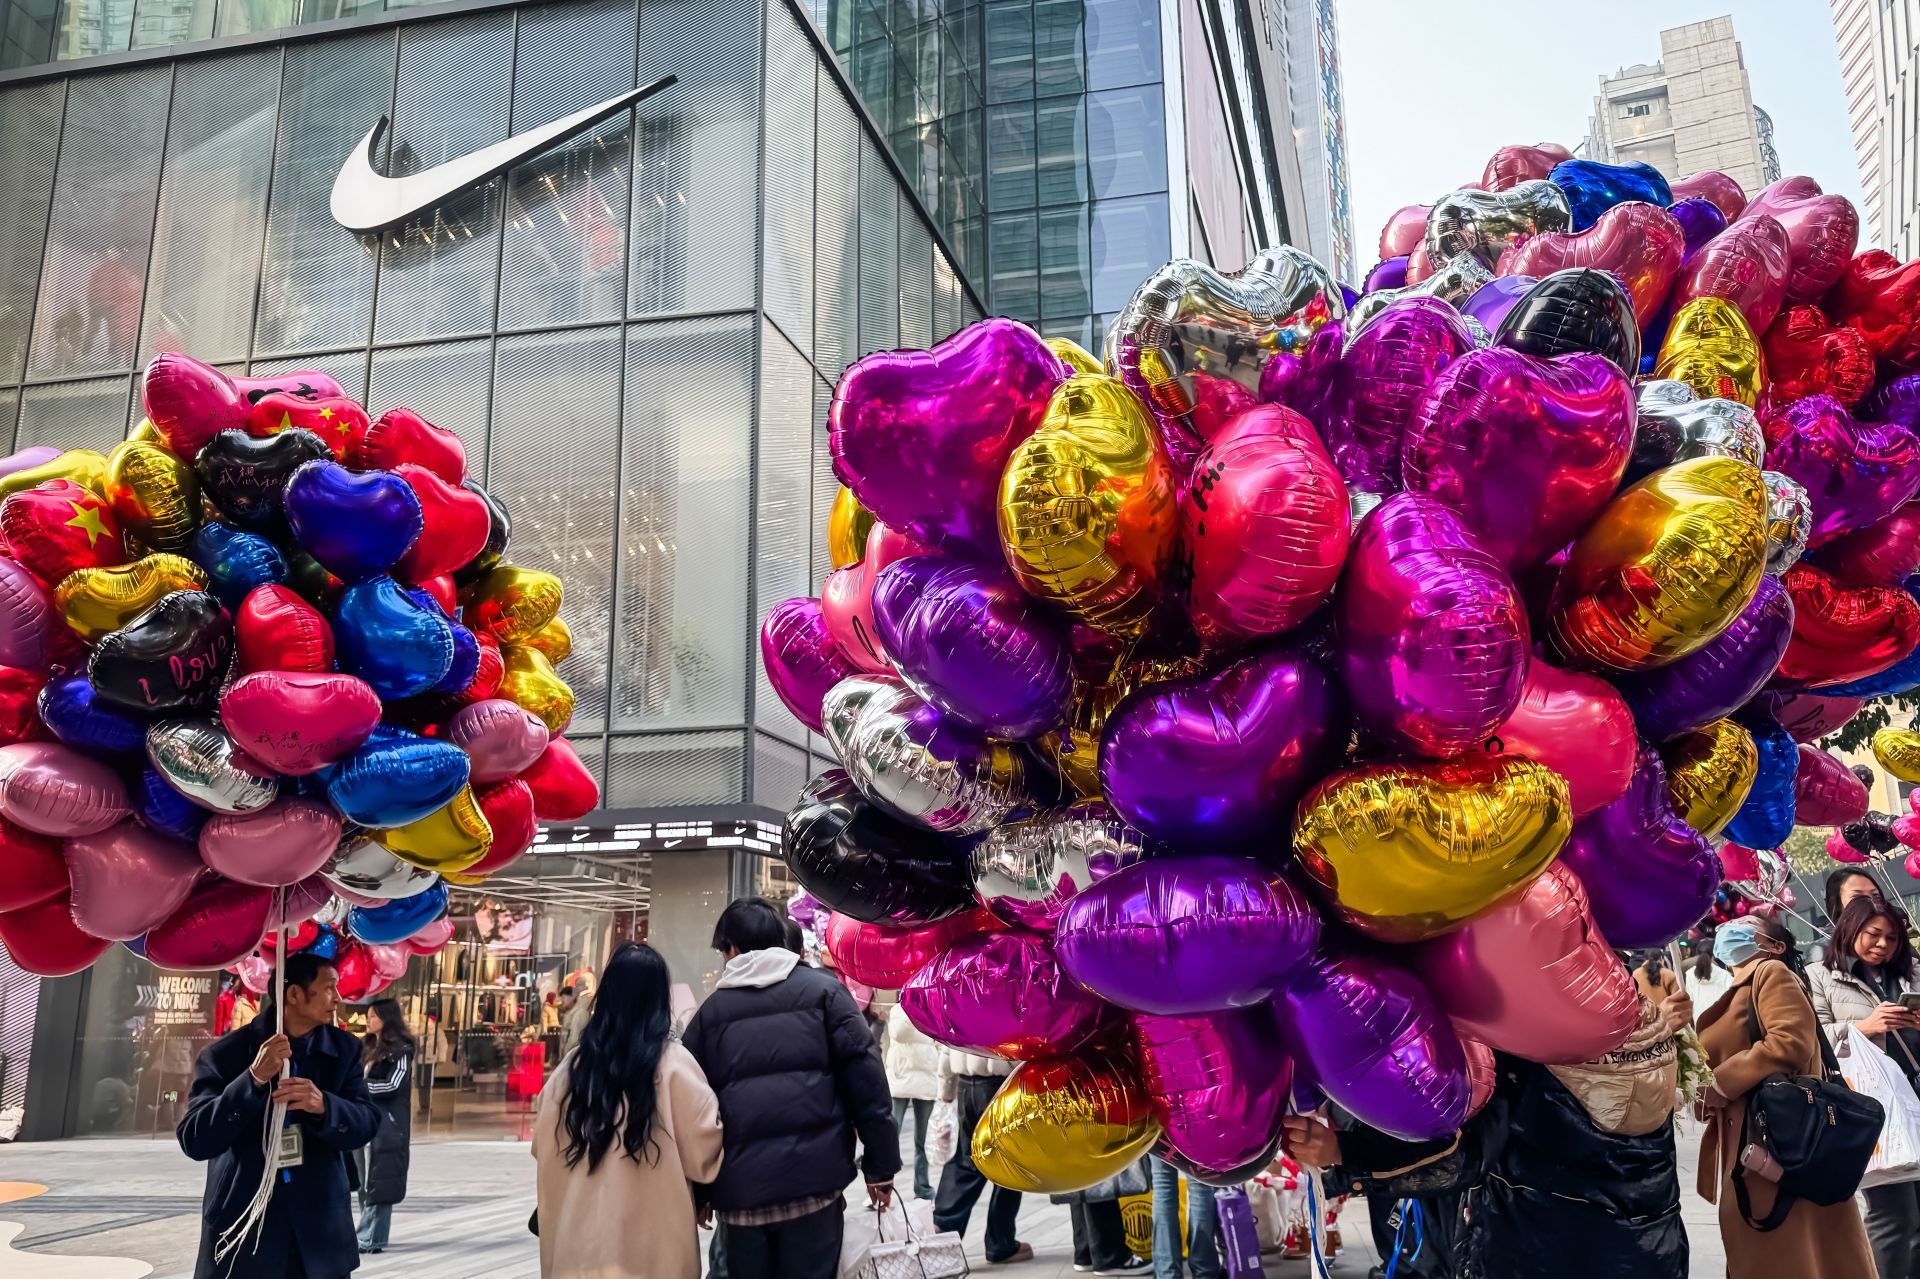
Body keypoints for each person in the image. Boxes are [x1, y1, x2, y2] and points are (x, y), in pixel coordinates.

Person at [682, 898, 898, 1279]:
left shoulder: (709, 1016)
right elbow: (867, 1082)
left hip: (741, 1197)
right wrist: (880, 1167)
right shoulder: (826, 994)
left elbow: (693, 1114)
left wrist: (698, 1192)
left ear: (732, 949)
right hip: (815, 1187)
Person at [177, 951, 380, 1279]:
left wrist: (325, 1106)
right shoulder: (225, 1055)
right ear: (294, 995)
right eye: (328, 988)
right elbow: (195, 1140)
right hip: (244, 1228)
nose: (338, 998)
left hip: (319, 1229)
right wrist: (252, 1080)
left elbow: (366, 1124)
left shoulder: (344, 1050)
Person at [1696, 913, 1876, 1278]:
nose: (1732, 928)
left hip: (1777, 1136)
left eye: (1748, 923)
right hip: (1755, 1138)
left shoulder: (1770, 973)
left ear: (1775, 946)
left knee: (1789, 1253)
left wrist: (1720, 1084)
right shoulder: (1738, 990)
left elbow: (1788, 1042)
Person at [533, 942, 723, 1279]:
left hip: (578, 1252)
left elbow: (541, 1146)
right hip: (653, 1255)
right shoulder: (674, 1066)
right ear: (658, 999)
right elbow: (704, 1154)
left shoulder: (571, 1069)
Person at [1810, 894, 1920, 1278]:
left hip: (1915, 1097)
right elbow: (1814, 1038)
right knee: (1894, 1216)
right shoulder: (1820, 977)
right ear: (1850, 930)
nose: (1882, 945)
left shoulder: (1909, 973)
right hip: (1874, 1109)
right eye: (1874, 934)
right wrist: (1864, 1027)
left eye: (1891, 938)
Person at [935, 1047, 1031, 1265]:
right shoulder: (1006, 1009)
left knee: (965, 1162)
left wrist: (946, 1091)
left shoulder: (964, 1009)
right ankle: (1001, 1242)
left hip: (966, 1085)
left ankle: (943, 1230)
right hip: (1004, 1083)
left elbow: (949, 1043)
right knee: (1011, 1164)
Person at [356, 998, 415, 1256]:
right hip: (364, 1120)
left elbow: (393, 1085)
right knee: (364, 1180)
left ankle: (373, 1237)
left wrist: (361, 1089)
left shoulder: (400, 1050)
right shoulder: (367, 1047)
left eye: (373, 1016)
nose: (368, 1020)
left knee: (381, 1180)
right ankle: (365, 1232)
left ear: (386, 1018)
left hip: (388, 1124)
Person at [884, 1002, 940, 1200]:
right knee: (890, 1135)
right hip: (901, 1080)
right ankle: (883, 1184)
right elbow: (899, 1034)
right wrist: (911, 1009)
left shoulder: (934, 1008)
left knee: (923, 1140)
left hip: (925, 1080)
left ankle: (923, 1187)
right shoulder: (898, 1010)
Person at [1148, 1154, 1219, 1279]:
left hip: (1160, 1135)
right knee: (1201, 1186)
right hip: (1198, 1135)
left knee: (1163, 1183)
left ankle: (1167, 1273)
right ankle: (1205, 1272)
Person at [559, 985, 592, 1058]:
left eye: (564, 998)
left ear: (572, 998)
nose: (561, 1001)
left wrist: (566, 1057)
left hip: (573, 1058)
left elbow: (574, 1040)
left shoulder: (580, 1014)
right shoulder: (569, 1013)